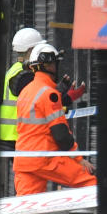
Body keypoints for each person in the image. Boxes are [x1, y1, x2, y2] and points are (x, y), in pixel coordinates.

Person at [14, 43, 96, 195]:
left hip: (23, 160)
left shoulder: (26, 92)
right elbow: (61, 134)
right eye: (55, 63)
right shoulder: (49, 94)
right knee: (91, 182)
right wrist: (79, 159)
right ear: (48, 65)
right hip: (44, 158)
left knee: (25, 207)